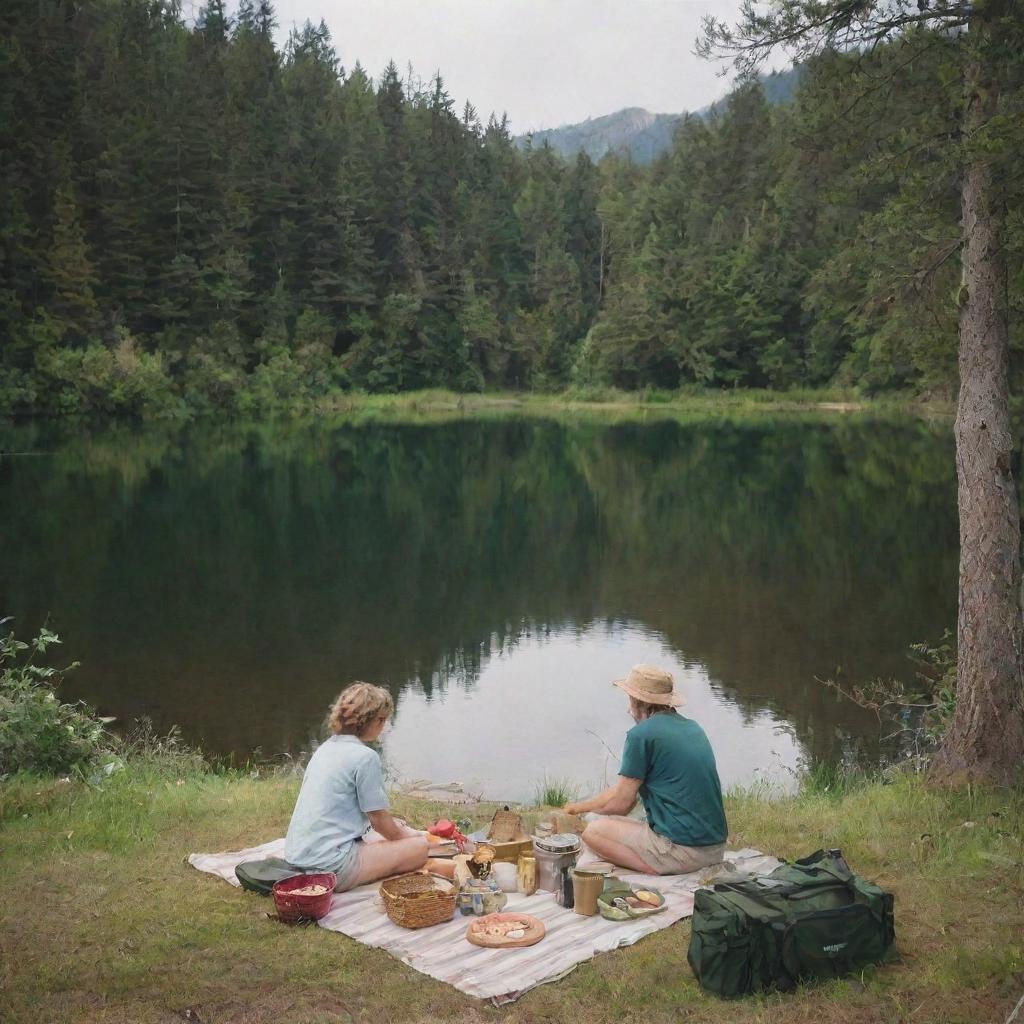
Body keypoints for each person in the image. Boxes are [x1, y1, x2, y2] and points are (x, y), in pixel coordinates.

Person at [564, 664, 727, 875]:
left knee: (593, 831)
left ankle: (655, 870)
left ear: (639, 701)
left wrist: (589, 815)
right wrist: (580, 808)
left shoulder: (641, 735)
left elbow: (622, 804)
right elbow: (620, 790)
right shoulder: (693, 727)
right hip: (715, 849)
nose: (628, 708)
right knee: (595, 819)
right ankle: (660, 862)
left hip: (683, 853)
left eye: (630, 700)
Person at [284, 681, 443, 891]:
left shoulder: (325, 749)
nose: (384, 725)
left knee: (391, 832)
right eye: (383, 719)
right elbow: (379, 821)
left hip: (297, 858)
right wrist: (411, 839)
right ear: (374, 720)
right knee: (419, 848)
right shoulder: (365, 757)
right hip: (331, 867)